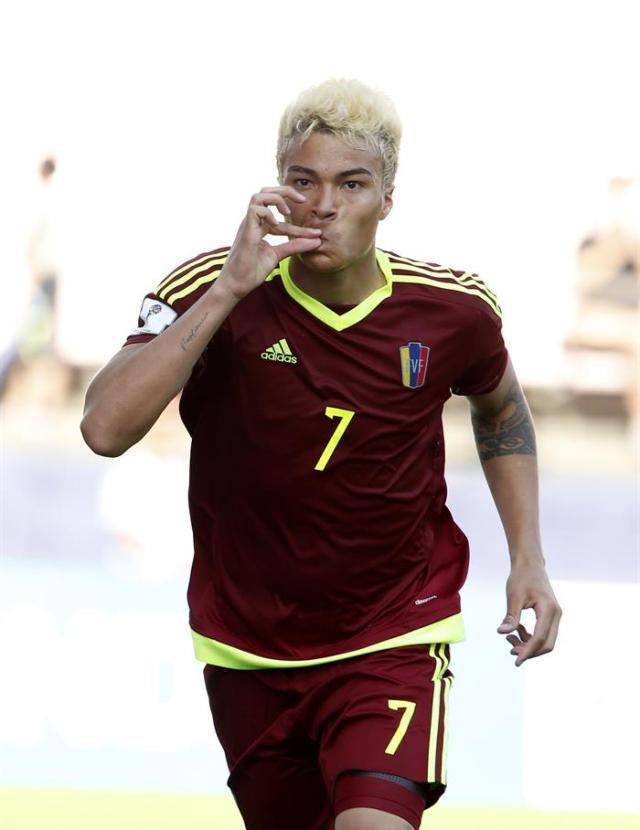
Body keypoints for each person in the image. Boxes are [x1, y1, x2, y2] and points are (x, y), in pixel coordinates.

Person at [81, 78, 562, 830]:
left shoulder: (452, 311)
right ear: (278, 187)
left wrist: (527, 556)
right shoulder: (210, 287)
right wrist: (229, 292)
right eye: (303, 181)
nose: (324, 204)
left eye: (352, 183)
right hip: (249, 646)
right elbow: (104, 429)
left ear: (388, 199)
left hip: (393, 633)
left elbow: (500, 408)